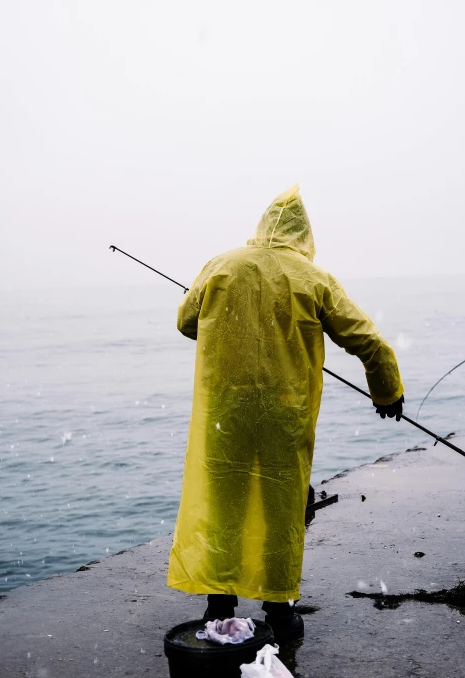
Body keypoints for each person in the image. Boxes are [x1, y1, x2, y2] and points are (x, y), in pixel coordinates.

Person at [167, 185, 404, 639]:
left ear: (260, 226)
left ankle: (219, 606)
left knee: (226, 504)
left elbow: (186, 323)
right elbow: (368, 341)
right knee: (282, 508)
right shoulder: (314, 278)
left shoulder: (222, 265)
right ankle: (279, 611)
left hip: (227, 411)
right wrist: (387, 392)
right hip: (283, 412)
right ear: (304, 235)